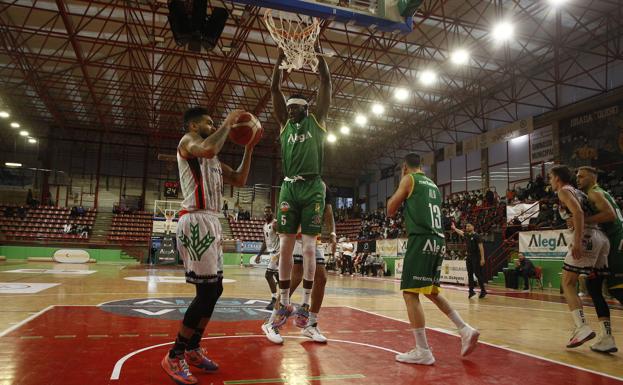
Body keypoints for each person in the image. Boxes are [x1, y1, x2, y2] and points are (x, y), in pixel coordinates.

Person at [160, 107, 259, 385]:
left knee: (215, 289)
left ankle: (192, 349)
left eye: (216, 122)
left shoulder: (213, 159)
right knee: (205, 293)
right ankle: (175, 354)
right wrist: (229, 122)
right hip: (195, 220)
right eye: (209, 122)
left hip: (212, 220)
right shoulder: (188, 142)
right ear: (193, 125)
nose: (213, 125)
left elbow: (240, 179)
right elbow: (206, 149)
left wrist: (248, 148)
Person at [387, 153, 479, 365]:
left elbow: (390, 209)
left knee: (410, 293)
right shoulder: (434, 185)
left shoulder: (409, 179)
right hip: (439, 240)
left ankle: (423, 350)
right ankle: (465, 329)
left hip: (422, 239)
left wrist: (401, 187)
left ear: (404, 167)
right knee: (432, 291)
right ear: (422, 166)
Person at [269, 43, 331, 329]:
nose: (290, 111)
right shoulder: (285, 125)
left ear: (306, 109)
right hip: (289, 187)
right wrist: (279, 61)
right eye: (289, 108)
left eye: (295, 108)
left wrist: (317, 54)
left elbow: (326, 83)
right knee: (284, 246)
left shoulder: (316, 121)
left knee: (308, 249)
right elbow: (274, 92)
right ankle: (283, 301)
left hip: (313, 186)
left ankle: (305, 304)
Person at [262, 182, 336, 344]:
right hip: (296, 234)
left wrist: (332, 232)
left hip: (313, 236)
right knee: (295, 279)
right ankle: (271, 323)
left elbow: (328, 211)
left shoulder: (322, 186)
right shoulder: (295, 183)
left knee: (321, 277)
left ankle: (310, 324)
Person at [548, 165, 609, 349]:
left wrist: (577, 240)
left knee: (567, 282)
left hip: (587, 237)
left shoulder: (564, 191)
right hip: (601, 239)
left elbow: (579, 213)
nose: (550, 182)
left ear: (557, 178)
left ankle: (582, 326)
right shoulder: (577, 191)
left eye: (551, 178)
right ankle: (607, 337)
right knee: (596, 289)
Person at [576, 166, 622, 353]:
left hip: (616, 243)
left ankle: (607, 337)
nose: (578, 179)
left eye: (582, 176)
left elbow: (609, 215)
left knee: (616, 289)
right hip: (607, 246)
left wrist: (583, 220)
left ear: (592, 178)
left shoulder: (595, 192)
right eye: (577, 176)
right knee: (594, 287)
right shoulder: (597, 193)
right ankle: (607, 337)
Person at [451, 222, 487, 298]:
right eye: (466, 226)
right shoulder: (467, 235)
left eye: (469, 226)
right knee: (469, 274)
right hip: (469, 257)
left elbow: (481, 247)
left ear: (473, 227)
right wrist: (454, 228)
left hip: (476, 257)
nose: (467, 227)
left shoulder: (477, 236)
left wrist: (482, 258)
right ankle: (471, 291)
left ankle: (483, 291)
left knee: (478, 274)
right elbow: (461, 232)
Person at [254, 205, 280, 311]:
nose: (266, 213)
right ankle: (284, 297)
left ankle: (274, 299)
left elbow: (283, 238)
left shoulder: (275, 224)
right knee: (279, 277)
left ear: (272, 213)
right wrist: (259, 255)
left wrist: (281, 254)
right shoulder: (265, 226)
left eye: (268, 212)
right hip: (271, 253)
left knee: (268, 275)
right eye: (265, 212)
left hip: (277, 253)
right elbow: (265, 242)